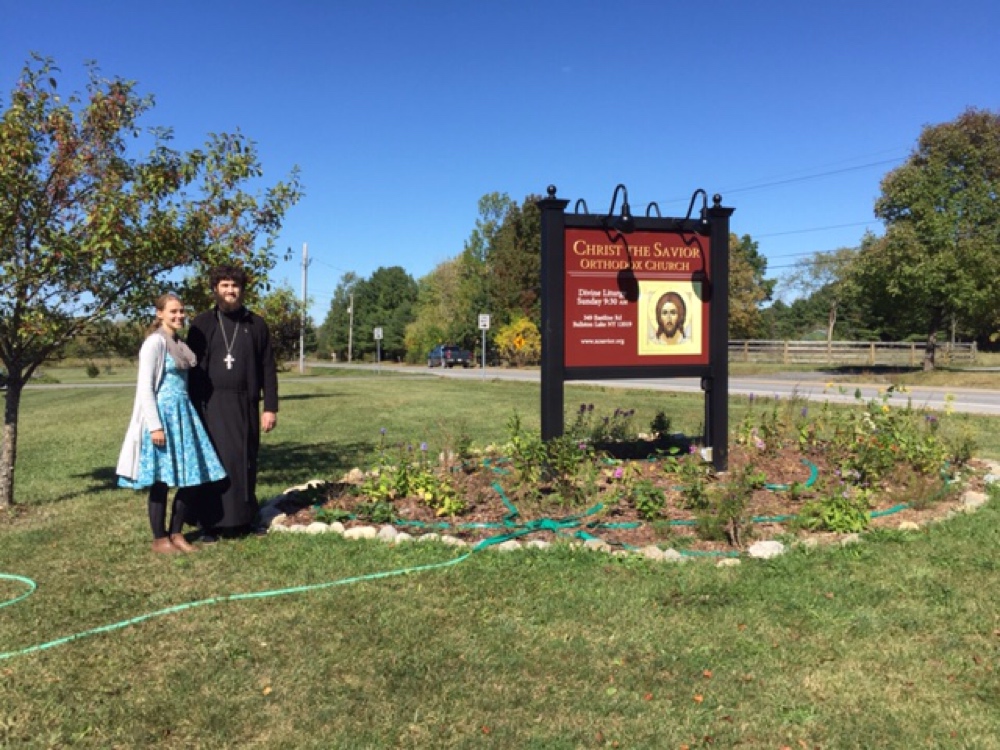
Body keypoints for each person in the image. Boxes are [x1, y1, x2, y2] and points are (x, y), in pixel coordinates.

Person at [117, 293, 227, 554]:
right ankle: (159, 538)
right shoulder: (154, 344)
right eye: (173, 312)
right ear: (159, 314)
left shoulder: (178, 344)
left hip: (183, 414)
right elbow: (145, 388)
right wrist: (155, 426)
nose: (179, 316)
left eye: (181, 312)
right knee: (161, 480)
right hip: (162, 417)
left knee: (192, 477)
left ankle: (176, 532)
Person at [179, 264, 278, 539]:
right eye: (224, 285)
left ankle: (244, 520)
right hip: (210, 405)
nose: (230, 290)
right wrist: (191, 406)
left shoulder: (256, 324)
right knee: (212, 462)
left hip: (245, 403)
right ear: (215, 289)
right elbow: (191, 368)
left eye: (234, 285)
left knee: (244, 461)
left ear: (242, 289)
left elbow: (268, 367)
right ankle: (209, 524)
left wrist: (270, 407)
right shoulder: (202, 324)